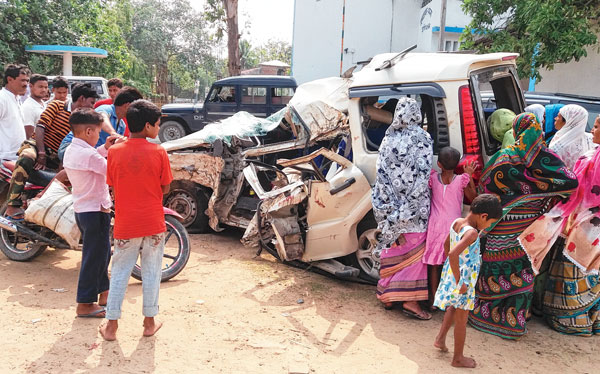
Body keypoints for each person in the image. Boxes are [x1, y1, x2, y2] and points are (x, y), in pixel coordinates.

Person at [468, 113, 578, 340]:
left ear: (516, 131)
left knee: (495, 263)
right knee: (523, 266)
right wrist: (542, 198)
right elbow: (571, 182)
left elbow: (486, 185)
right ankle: (518, 317)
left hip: (502, 223)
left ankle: (485, 314)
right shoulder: (547, 158)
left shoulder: (505, 157)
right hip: (530, 228)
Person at [519, 114, 600, 335]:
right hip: (580, 218)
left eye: (597, 127)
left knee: (580, 266)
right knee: (584, 267)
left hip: (589, 222)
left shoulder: (596, 158)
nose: (592, 131)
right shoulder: (592, 153)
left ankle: (574, 322)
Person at [100, 99, 173, 341]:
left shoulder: (114, 152)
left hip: (125, 223)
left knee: (120, 271)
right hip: (153, 222)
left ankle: (111, 326)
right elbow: (165, 188)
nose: (159, 129)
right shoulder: (159, 152)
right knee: (152, 272)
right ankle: (149, 322)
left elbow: (112, 185)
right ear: (150, 126)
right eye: (158, 125)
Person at [372, 97, 433, 320]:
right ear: (416, 114)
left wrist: (391, 213)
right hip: (414, 210)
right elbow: (423, 174)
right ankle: (409, 301)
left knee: (394, 249)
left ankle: (387, 295)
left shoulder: (388, 139)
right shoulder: (423, 138)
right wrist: (408, 208)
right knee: (414, 256)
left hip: (390, 208)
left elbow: (381, 175)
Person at [4, 83, 102, 220]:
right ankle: (12, 204)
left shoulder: (85, 118)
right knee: (26, 157)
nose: (93, 107)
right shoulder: (56, 105)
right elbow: (40, 128)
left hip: (56, 157)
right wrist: (42, 153)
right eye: (91, 103)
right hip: (37, 146)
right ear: (81, 99)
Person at [434, 194, 502, 368]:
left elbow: (446, 245)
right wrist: (460, 282)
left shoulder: (457, 222)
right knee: (462, 320)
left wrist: (450, 270)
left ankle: (440, 339)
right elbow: (453, 253)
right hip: (463, 281)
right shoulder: (472, 233)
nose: (488, 226)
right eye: (490, 223)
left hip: (454, 274)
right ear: (483, 216)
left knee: (453, 307)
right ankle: (458, 358)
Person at [63, 108, 119, 318]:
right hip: (94, 210)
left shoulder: (74, 150)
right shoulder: (87, 155)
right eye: (97, 132)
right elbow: (110, 170)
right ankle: (85, 304)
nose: (99, 135)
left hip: (86, 209)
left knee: (102, 253)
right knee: (94, 257)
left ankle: (104, 293)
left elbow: (94, 156)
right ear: (88, 131)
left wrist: (104, 148)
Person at [424, 146, 476, 308]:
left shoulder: (432, 178)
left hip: (435, 225)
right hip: (453, 227)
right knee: (451, 263)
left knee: (434, 264)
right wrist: (469, 176)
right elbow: (473, 198)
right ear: (459, 164)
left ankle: (433, 300)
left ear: (438, 164)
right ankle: (449, 300)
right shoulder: (461, 180)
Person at [57, 86, 142, 160]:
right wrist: (113, 133)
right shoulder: (106, 109)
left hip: (93, 152)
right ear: (128, 105)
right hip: (70, 147)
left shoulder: (121, 125)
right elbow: (103, 117)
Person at [549, 104, 595, 170]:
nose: (555, 118)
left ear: (568, 121)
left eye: (558, 116)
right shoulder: (591, 139)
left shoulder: (558, 146)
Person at [0, 64, 30, 161]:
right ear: (10, 79)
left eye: (27, 81)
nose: (26, 84)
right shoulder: (2, 99)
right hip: (4, 159)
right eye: (22, 80)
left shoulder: (17, 99)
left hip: (16, 157)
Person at [21, 74, 49, 138]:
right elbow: (29, 135)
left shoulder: (44, 104)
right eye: (40, 87)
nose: (44, 90)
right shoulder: (28, 107)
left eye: (46, 87)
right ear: (31, 86)